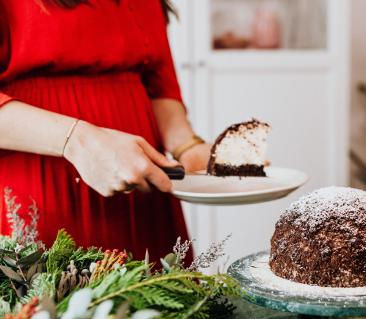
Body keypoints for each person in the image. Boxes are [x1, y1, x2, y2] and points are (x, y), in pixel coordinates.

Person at [0, 0, 209, 260]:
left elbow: (157, 82)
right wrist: (78, 142)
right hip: (41, 192)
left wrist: (188, 145)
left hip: (144, 197)